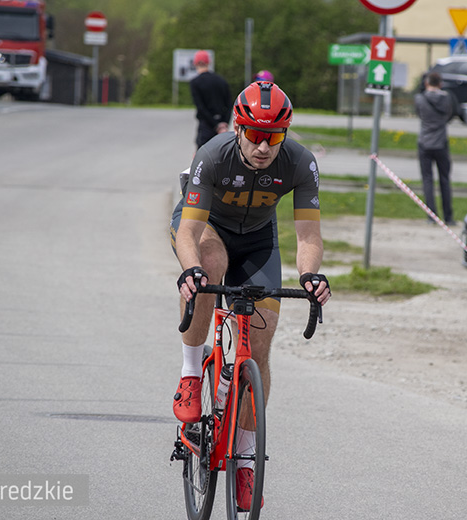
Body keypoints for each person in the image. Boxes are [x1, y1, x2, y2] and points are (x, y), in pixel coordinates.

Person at [170, 81, 331, 510]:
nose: (263, 146)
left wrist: (311, 276)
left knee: (258, 348)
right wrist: (191, 270)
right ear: (239, 128)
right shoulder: (212, 155)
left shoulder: (300, 162)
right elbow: (187, 231)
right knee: (211, 267)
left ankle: (244, 457)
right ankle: (190, 374)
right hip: (205, 228)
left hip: (259, 239)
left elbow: (309, 234)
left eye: (273, 137)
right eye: (255, 135)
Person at [415, 71, 455, 225]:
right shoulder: (446, 99)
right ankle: (448, 217)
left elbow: (419, 113)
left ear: (426, 83)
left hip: (425, 143)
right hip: (441, 143)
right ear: (440, 84)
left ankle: (431, 216)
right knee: (444, 180)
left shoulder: (420, 99)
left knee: (427, 180)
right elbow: (449, 115)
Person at [189, 50, 232, 149]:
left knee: (202, 156)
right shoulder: (221, 81)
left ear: (195, 63)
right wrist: (224, 124)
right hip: (222, 126)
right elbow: (229, 104)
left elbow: (201, 107)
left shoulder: (195, 82)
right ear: (208, 62)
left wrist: (216, 125)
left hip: (206, 126)